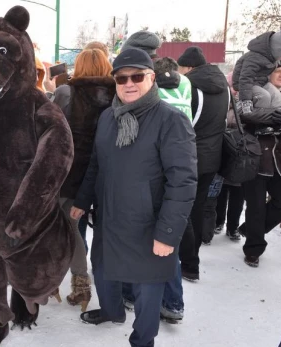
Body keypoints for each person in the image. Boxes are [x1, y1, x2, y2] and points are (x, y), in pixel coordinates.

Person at [74, 48, 197, 347]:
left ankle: (143, 340)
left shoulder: (170, 120)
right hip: (110, 215)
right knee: (102, 268)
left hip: (148, 221)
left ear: (152, 78)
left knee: (147, 286)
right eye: (122, 78)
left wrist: (167, 233)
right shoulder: (108, 118)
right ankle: (112, 311)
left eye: (137, 76)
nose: (129, 83)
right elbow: (96, 164)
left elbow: (183, 181)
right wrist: (82, 199)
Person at [51, 48, 115, 311]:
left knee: (62, 227)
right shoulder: (117, 95)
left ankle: (67, 282)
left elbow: (51, 131)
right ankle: (87, 286)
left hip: (68, 173)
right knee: (84, 229)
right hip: (103, 175)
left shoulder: (66, 93)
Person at [237, 56, 281, 267]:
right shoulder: (253, 93)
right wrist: (264, 120)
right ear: (268, 72)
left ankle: (251, 229)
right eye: (277, 70)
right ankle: (253, 249)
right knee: (256, 207)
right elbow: (240, 119)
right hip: (256, 159)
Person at [177, 46, 228, 281]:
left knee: (182, 209)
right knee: (197, 208)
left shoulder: (191, 87)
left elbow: (187, 125)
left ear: (188, 67)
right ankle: (192, 259)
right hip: (213, 158)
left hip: (191, 157)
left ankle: (188, 262)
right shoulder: (223, 87)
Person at [233, 26, 281, 116]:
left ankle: (279, 118)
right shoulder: (254, 57)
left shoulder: (272, 58)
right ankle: (260, 123)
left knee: (276, 94)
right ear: (277, 49)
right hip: (244, 84)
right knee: (263, 96)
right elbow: (245, 77)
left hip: (260, 82)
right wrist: (246, 100)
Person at [215, 72, 245, 241]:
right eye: (233, 86)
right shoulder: (223, 101)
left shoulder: (247, 101)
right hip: (225, 150)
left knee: (238, 194)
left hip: (240, 152)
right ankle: (218, 222)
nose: (235, 90)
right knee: (221, 190)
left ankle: (233, 227)